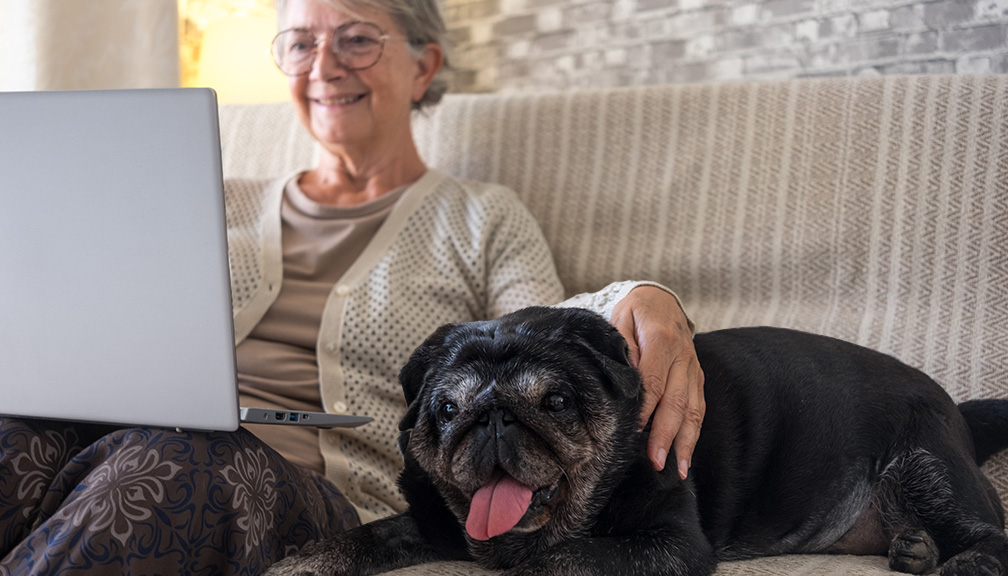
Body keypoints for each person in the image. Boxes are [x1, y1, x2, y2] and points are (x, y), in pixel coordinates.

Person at [0, 0, 703, 574]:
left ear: (424, 64)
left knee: (172, 461)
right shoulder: (204, 197)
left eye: (356, 39)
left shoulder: (480, 217)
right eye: (300, 43)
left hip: (314, 493)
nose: (323, 66)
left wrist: (642, 294)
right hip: (126, 445)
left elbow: (541, 337)